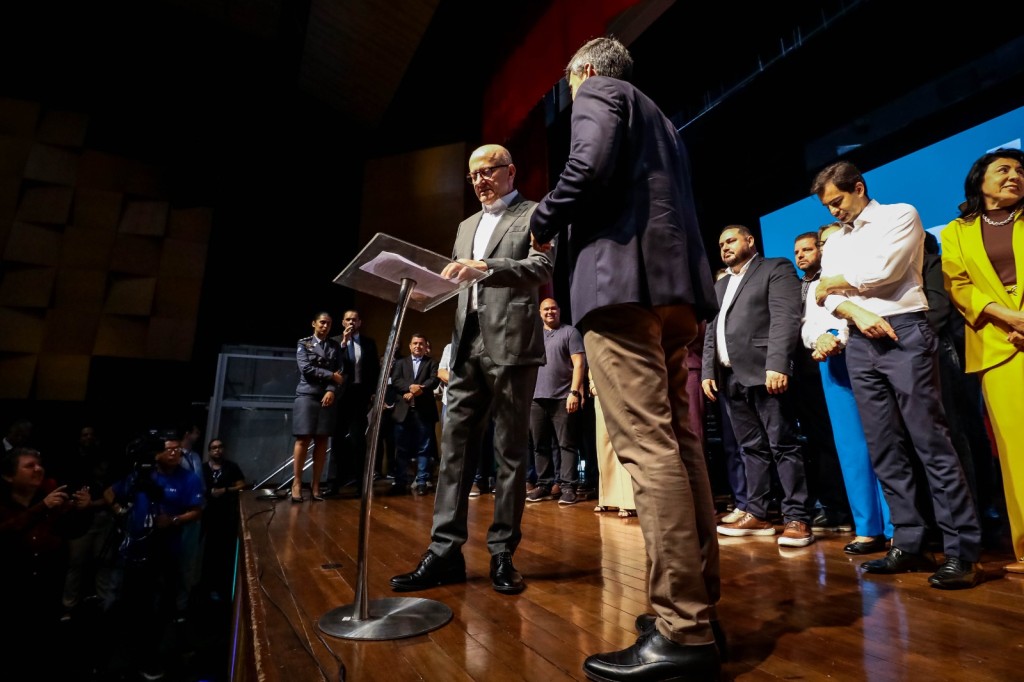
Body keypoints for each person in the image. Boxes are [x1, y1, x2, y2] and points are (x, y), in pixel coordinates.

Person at [529, 37, 722, 681]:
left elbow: (586, 167)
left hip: (620, 290)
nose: (570, 95)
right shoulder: (660, 118)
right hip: (674, 294)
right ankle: (700, 607)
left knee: (648, 448)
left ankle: (682, 628)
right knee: (680, 445)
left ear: (582, 71)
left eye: (568, 85)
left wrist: (541, 221)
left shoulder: (599, 90)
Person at [390, 143, 554, 596]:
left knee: (510, 454)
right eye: (473, 175)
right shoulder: (465, 226)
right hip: (465, 345)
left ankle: (502, 554)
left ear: (510, 171)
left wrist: (484, 267)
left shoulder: (534, 213)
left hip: (512, 345)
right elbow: (455, 281)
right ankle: (444, 552)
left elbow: (542, 266)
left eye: (487, 171)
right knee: (454, 452)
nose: (480, 180)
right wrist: (428, 291)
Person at [812, 159, 983, 589]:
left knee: (931, 442)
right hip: (859, 339)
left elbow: (884, 274)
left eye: (837, 201)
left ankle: (962, 552)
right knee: (884, 447)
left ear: (858, 187)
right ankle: (909, 543)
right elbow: (822, 297)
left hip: (904, 331)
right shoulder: (836, 240)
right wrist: (852, 308)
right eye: (828, 206)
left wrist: (835, 283)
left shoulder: (900, 215)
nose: (834, 211)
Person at [702, 225, 813, 548]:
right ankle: (758, 512)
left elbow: (785, 318)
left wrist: (777, 363)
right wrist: (708, 370)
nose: (725, 247)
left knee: (783, 444)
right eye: (721, 244)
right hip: (730, 376)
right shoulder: (722, 285)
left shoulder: (775, 268)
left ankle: (797, 517)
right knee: (750, 448)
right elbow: (712, 331)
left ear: (750, 241)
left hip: (765, 372)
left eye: (731, 240)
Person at [941, 148, 1024, 574]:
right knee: (1015, 450)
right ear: (980, 180)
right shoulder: (957, 231)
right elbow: (958, 285)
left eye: (1020, 171)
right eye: (1003, 169)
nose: (1015, 176)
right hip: (997, 342)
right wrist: (1010, 317)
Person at [802, 223, 892, 555]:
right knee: (851, 448)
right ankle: (868, 528)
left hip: (871, 355)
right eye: (823, 243)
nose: (828, 247)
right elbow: (808, 327)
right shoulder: (818, 285)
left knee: (886, 441)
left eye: (833, 240)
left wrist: (836, 336)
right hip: (833, 365)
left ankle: (898, 525)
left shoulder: (864, 272)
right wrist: (820, 338)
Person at [104, 431, 204, 680]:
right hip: (135, 550)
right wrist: (119, 510)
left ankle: (153, 654)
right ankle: (121, 655)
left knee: (159, 607)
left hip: (165, 550)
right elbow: (110, 492)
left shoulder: (189, 479)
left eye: (178, 449)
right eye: (168, 449)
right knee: (130, 603)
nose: (174, 453)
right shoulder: (141, 475)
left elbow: (197, 510)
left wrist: (173, 520)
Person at [0, 447, 90, 677]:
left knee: (45, 645)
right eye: (29, 466)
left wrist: (82, 510)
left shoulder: (52, 500)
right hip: (12, 589)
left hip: (47, 586)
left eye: (39, 464)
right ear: (9, 476)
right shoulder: (6, 504)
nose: (38, 469)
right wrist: (42, 507)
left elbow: (73, 531)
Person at [793, 231, 853, 532]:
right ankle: (831, 505)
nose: (801, 256)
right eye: (797, 252)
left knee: (838, 437)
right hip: (804, 368)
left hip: (834, 357)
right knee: (816, 440)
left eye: (807, 249)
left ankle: (845, 508)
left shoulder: (832, 279)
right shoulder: (794, 286)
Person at [526, 297, 586, 505]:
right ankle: (544, 484)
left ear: (559, 310)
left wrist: (574, 392)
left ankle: (568, 487)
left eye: (553, 308)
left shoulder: (570, 332)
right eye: (546, 309)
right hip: (536, 399)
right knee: (539, 445)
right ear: (540, 313)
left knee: (566, 444)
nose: (550, 312)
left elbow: (579, 364)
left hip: (563, 397)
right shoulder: (534, 336)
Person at [290, 311, 343, 503]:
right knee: (303, 439)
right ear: (314, 323)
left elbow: (340, 371)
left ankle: (316, 485)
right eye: (322, 322)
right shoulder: (304, 343)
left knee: (322, 440)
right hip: (307, 395)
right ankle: (297, 483)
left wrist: (331, 390)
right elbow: (306, 368)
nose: (325, 326)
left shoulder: (334, 345)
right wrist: (330, 376)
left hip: (326, 396)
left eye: (328, 323)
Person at [328, 309, 380, 495]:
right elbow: (331, 364)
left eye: (354, 320)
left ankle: (360, 484)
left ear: (360, 322)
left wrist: (373, 393)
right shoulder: (334, 342)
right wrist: (343, 343)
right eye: (348, 319)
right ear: (343, 322)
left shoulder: (369, 343)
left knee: (359, 440)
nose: (351, 322)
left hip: (360, 396)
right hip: (340, 396)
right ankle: (333, 484)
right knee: (337, 439)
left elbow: (374, 370)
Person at [388, 333, 440, 496]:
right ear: (410, 346)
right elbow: (395, 380)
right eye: (415, 343)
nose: (418, 346)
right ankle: (400, 481)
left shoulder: (432, 362)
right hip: (403, 411)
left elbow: (434, 380)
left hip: (423, 412)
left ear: (425, 347)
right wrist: (410, 389)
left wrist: (419, 389)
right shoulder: (400, 362)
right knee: (401, 448)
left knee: (424, 448)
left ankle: (422, 481)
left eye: (421, 344)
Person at [201, 438, 246, 601]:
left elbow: (242, 485)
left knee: (224, 552)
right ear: (209, 451)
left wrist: (226, 490)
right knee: (207, 552)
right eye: (214, 448)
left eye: (220, 447)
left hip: (226, 515)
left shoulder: (231, 467)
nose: (217, 450)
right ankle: (205, 586)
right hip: (206, 514)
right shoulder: (203, 468)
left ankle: (222, 588)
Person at [589, 368, 636, 518]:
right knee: (603, 443)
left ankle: (628, 502)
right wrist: (592, 383)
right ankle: (607, 498)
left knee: (623, 443)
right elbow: (592, 363)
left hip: (623, 387)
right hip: (600, 391)